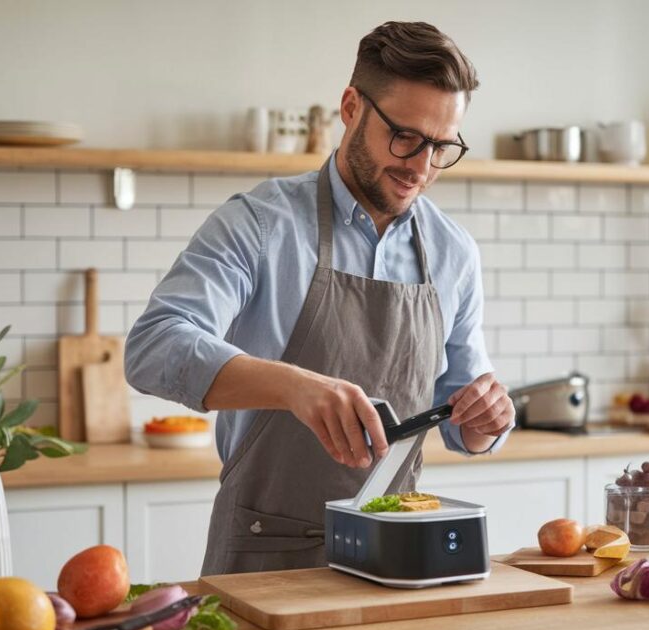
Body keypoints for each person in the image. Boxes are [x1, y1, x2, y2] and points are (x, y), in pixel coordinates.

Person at [125, 21, 514, 575]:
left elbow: (461, 419)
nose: (421, 168)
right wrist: (292, 386)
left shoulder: (454, 252)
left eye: (441, 147)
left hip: (397, 558)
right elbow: (153, 347)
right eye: (405, 137)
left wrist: (487, 416)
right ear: (351, 107)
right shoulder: (259, 224)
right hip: (264, 556)